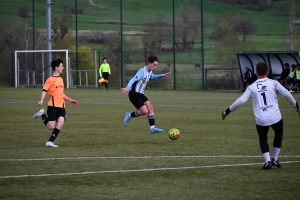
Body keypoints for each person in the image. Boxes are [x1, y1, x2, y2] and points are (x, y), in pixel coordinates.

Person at [221, 62, 300, 170]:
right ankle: (275, 159)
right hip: (275, 117)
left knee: (263, 137)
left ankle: (267, 161)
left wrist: (227, 111)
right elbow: (287, 94)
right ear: (268, 72)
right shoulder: (274, 83)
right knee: (279, 132)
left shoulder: (251, 87)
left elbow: (240, 101)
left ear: (256, 72)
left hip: (261, 119)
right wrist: (297, 108)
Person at [33, 58, 78, 147]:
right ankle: (42, 114)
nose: (63, 68)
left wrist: (70, 100)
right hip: (52, 106)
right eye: (61, 66)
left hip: (61, 106)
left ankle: (50, 142)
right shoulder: (50, 80)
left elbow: (61, 94)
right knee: (51, 127)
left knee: (61, 123)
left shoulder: (61, 79)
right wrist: (41, 99)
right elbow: (44, 90)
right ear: (56, 67)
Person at [121, 55, 172, 134]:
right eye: (154, 65)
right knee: (145, 111)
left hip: (141, 94)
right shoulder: (142, 72)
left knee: (150, 109)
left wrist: (162, 75)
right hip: (134, 94)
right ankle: (129, 116)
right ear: (149, 63)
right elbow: (133, 79)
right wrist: (127, 87)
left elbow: (153, 77)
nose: (155, 67)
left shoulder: (149, 72)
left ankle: (152, 128)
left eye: (156, 65)